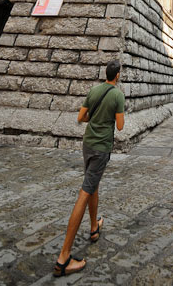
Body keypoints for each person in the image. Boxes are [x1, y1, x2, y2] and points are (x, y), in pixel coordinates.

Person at [53, 60, 125, 277]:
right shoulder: (117, 95)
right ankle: (64, 257)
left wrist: (96, 119)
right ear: (117, 75)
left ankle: (94, 227)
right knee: (85, 192)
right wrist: (109, 117)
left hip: (88, 145)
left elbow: (81, 117)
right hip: (102, 148)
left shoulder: (94, 90)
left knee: (93, 185)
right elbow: (120, 126)